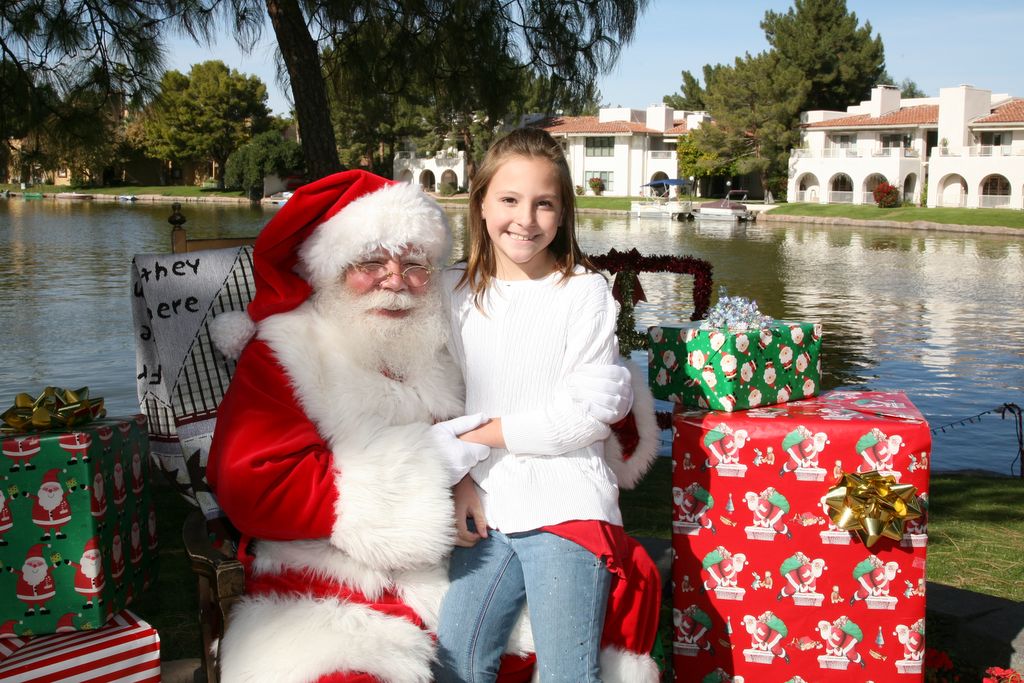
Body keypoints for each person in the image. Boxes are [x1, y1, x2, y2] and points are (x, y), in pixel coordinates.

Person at [204, 170, 638, 682]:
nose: (396, 279)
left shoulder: (440, 336)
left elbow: (530, 387)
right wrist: (428, 468)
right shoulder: (288, 351)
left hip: (455, 562)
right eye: (371, 262)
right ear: (330, 270)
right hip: (326, 581)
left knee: (614, 588)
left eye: (415, 265)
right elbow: (253, 484)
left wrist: (609, 390)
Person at [434, 128, 662, 683]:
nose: (526, 219)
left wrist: (475, 438)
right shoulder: (453, 293)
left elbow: (582, 421)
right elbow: (444, 399)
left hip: (566, 504)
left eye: (544, 204)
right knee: (455, 664)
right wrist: (463, 479)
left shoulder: (583, 293)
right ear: (482, 202)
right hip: (487, 500)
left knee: (566, 673)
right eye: (509, 200)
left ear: (562, 214)